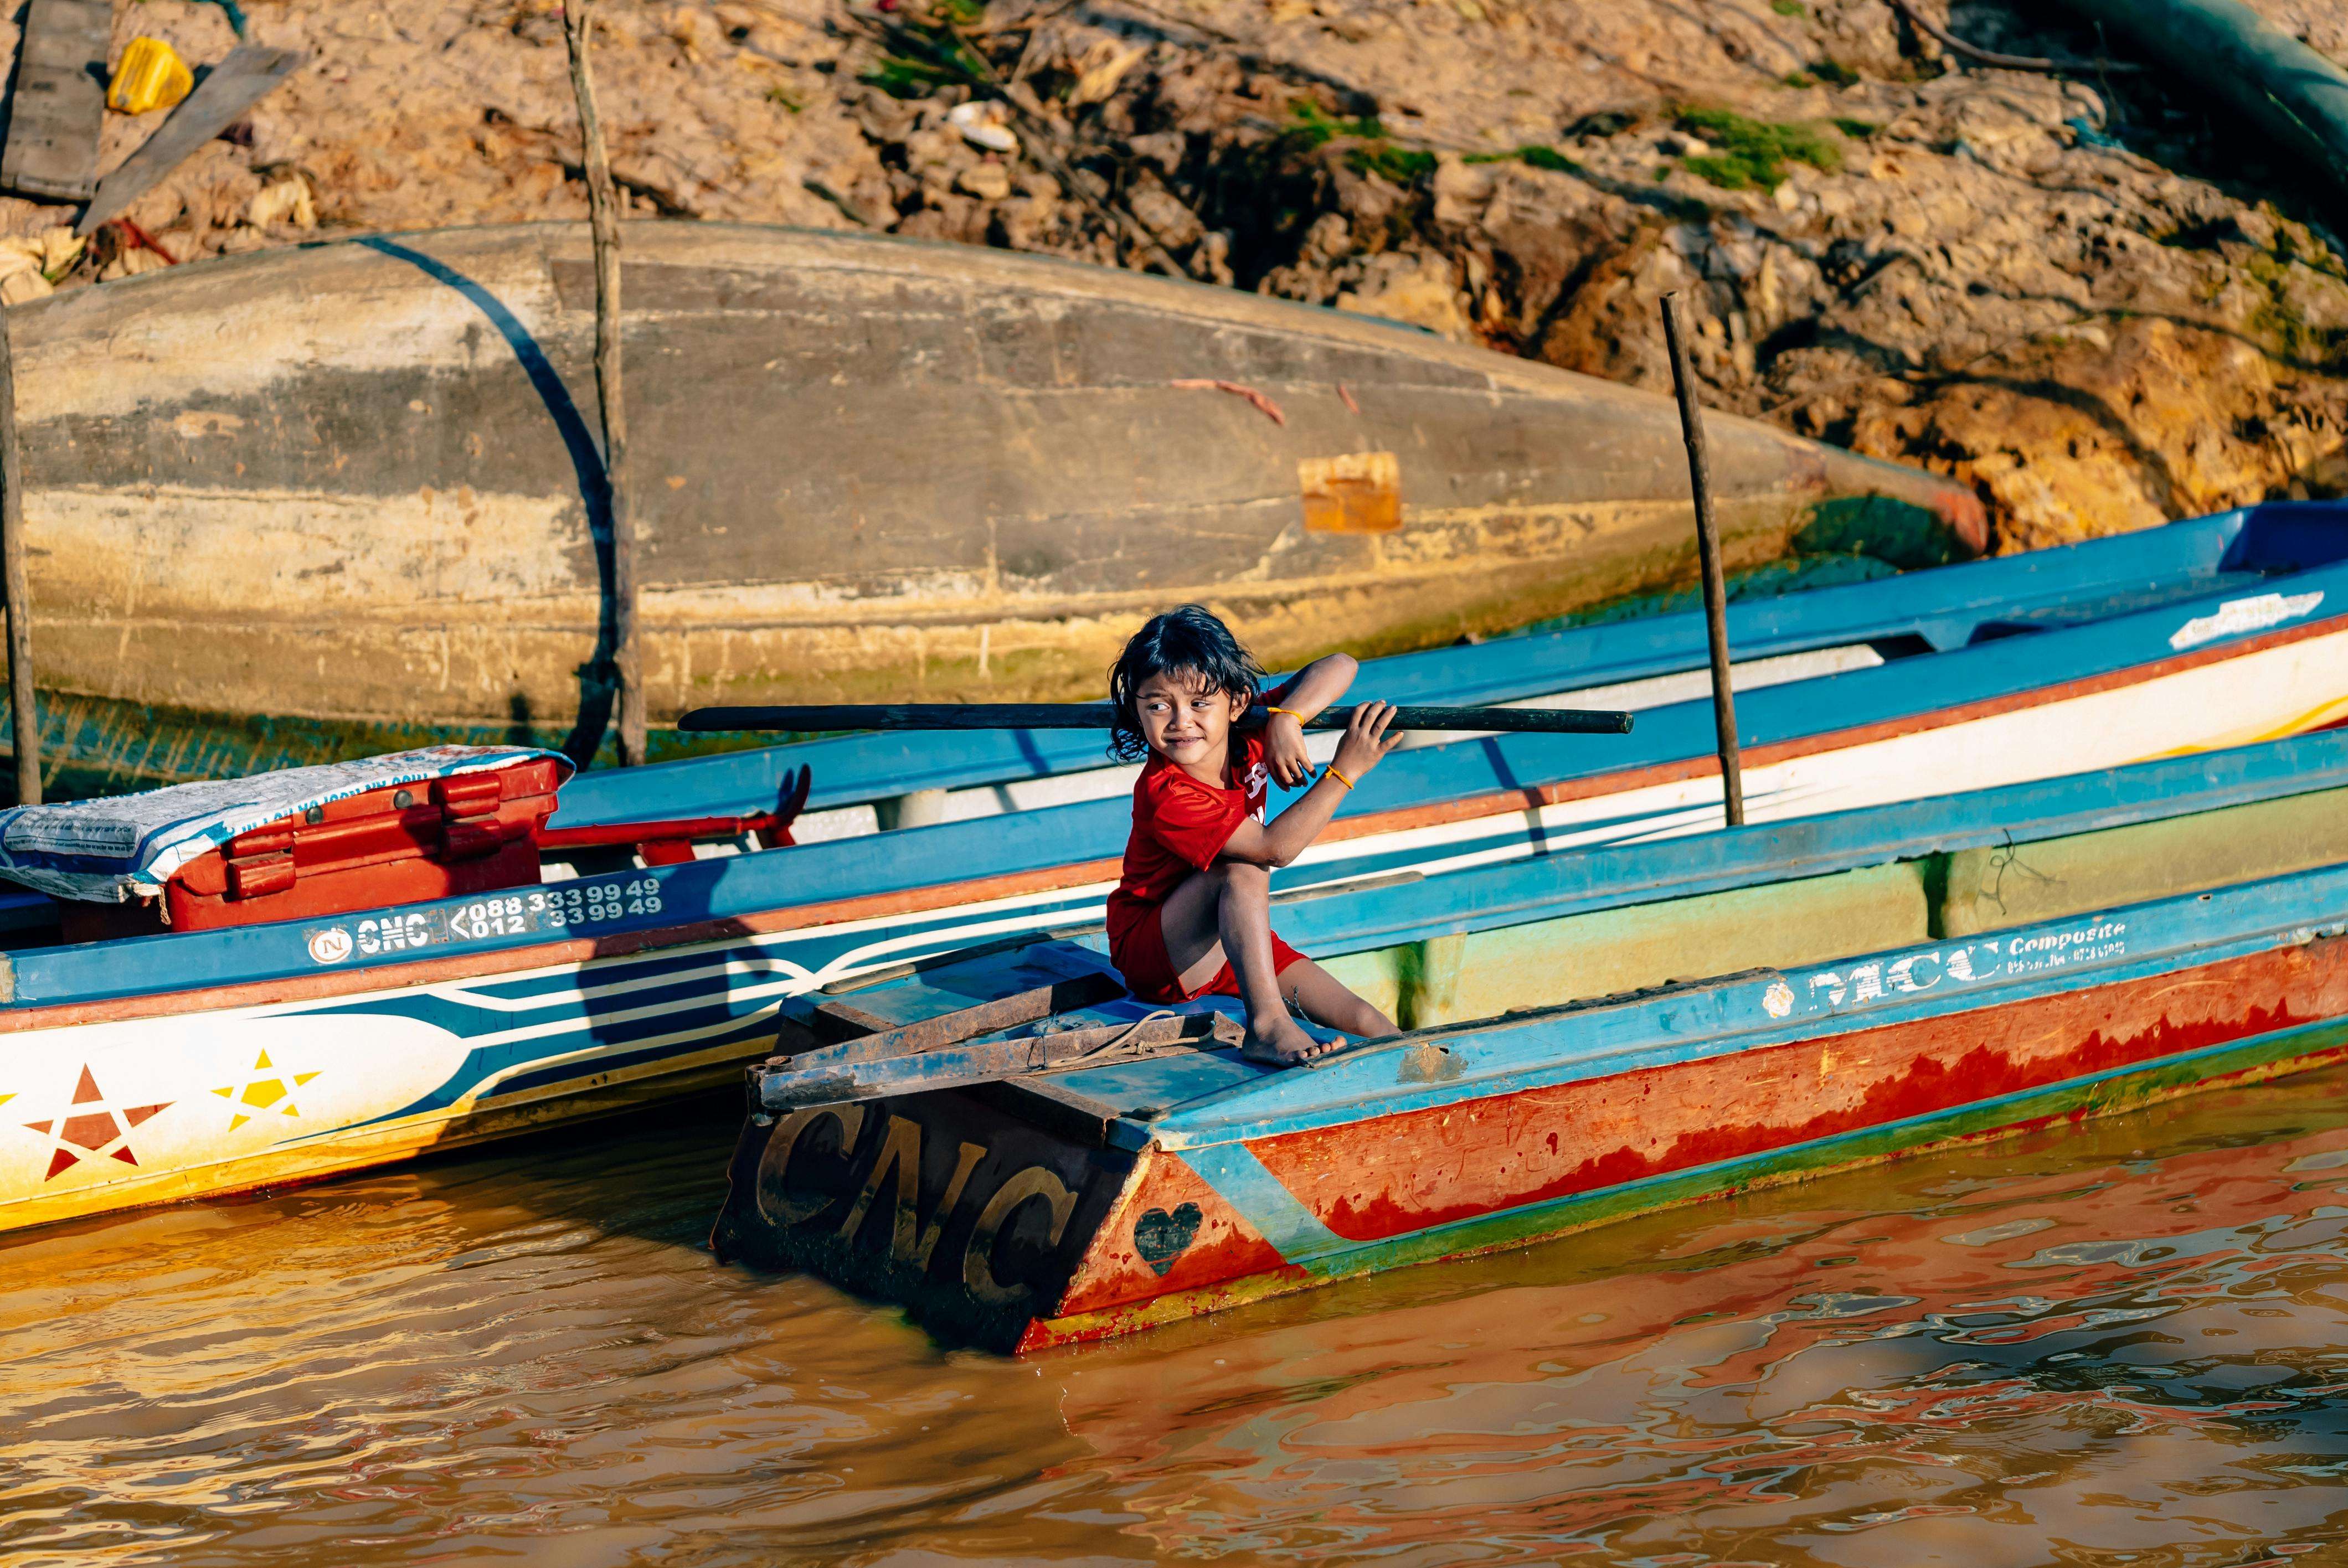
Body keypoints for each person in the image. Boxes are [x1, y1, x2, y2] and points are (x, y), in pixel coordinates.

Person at [1104, 605, 1404, 1065]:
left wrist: (1288, 717)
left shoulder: (1252, 726)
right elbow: (1275, 850)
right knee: (1242, 869)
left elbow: (1342, 665)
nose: (1181, 721)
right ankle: (1265, 1026)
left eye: (1200, 703)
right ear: (1137, 711)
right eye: (1158, 705)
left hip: (1228, 942)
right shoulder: (1166, 793)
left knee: (1370, 1025)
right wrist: (1344, 771)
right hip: (1159, 951)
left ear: (1238, 703)